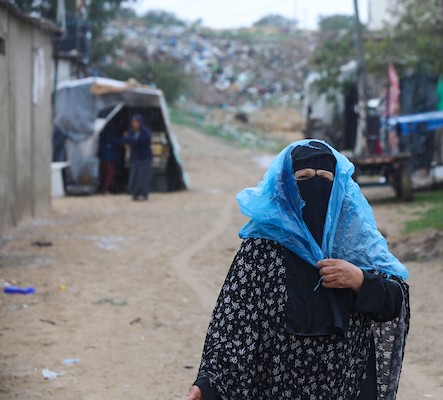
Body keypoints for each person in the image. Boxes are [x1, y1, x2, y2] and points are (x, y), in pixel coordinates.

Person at [185, 140, 410, 400]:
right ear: (286, 187)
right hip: (276, 388)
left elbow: (395, 302)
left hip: (345, 386)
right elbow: (233, 326)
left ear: (338, 189)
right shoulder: (264, 247)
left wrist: (360, 280)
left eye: (326, 178)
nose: (315, 186)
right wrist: (207, 383)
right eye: (303, 177)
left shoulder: (354, 243)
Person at [119, 114, 153, 201]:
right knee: (135, 176)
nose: (134, 124)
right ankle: (135, 194)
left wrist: (131, 139)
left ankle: (144, 194)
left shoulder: (145, 131)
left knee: (143, 177)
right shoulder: (132, 131)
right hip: (136, 157)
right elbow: (126, 139)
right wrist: (130, 138)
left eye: (136, 122)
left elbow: (141, 141)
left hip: (145, 158)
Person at [98, 123, 120, 195]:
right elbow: (115, 141)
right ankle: (105, 189)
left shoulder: (103, 133)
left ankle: (104, 188)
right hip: (108, 158)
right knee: (110, 173)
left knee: (107, 173)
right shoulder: (109, 133)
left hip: (106, 157)